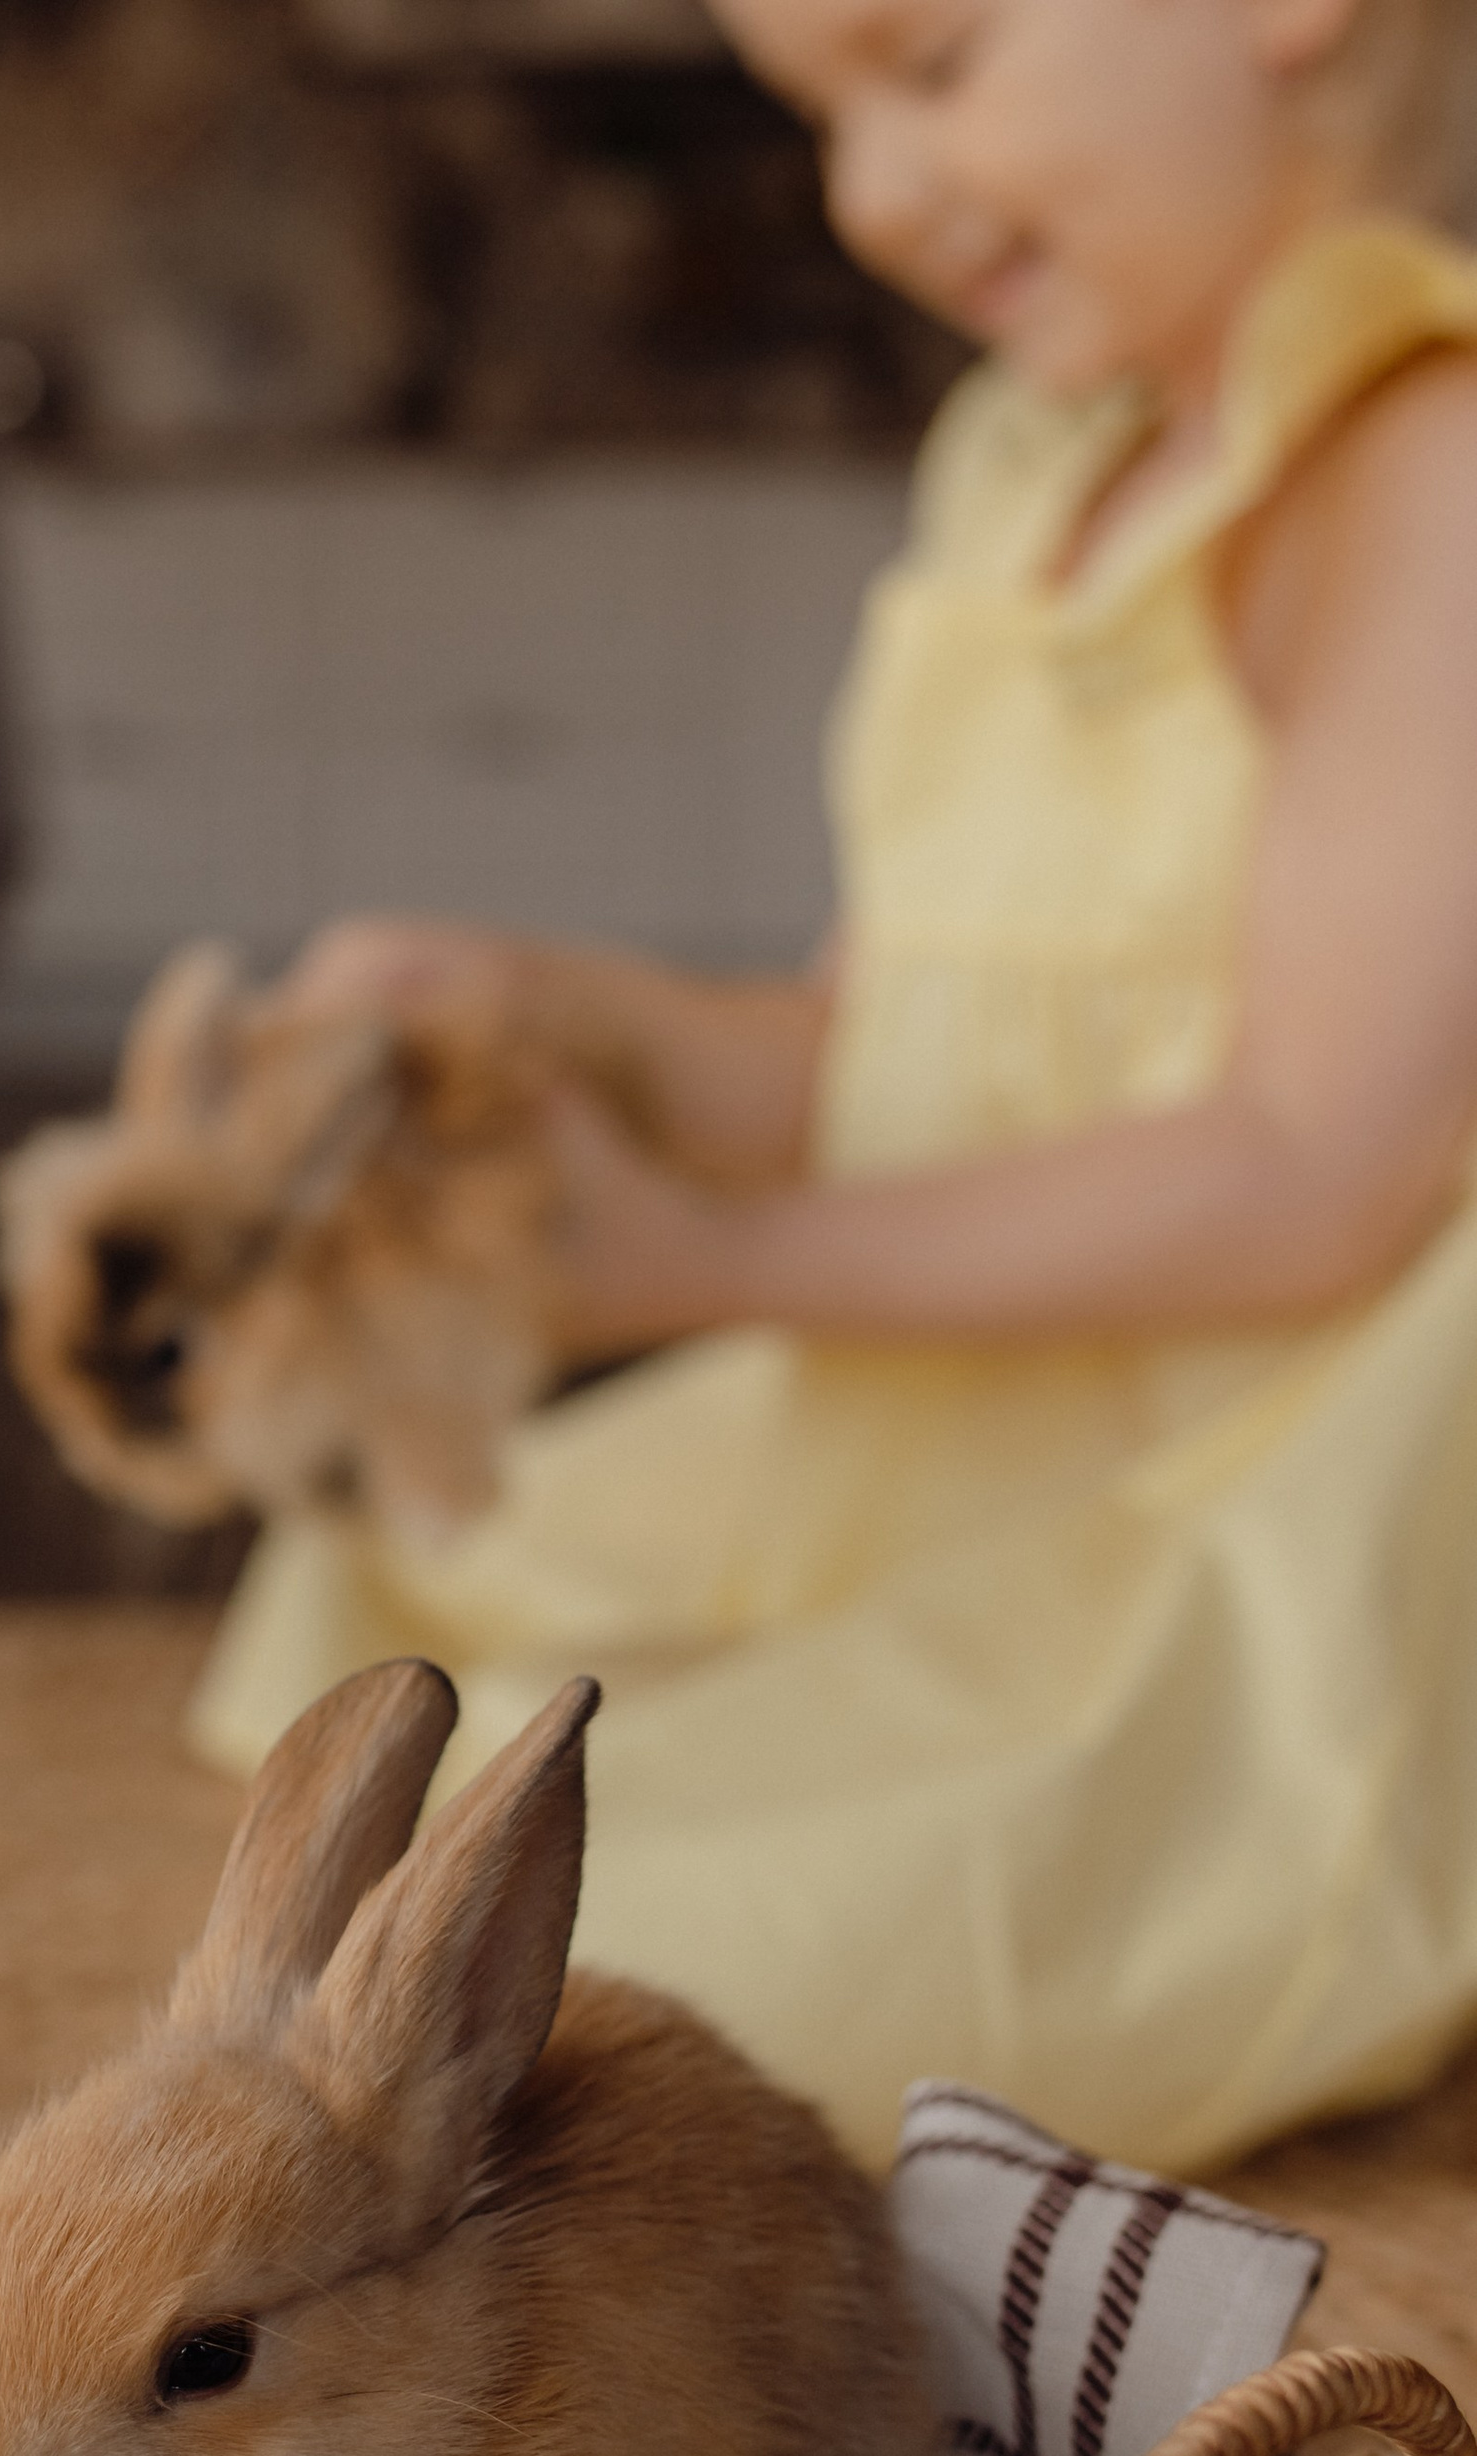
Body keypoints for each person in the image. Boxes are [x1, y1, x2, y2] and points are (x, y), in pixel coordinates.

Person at [188, 0, 1477, 2178]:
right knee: (362, 1663)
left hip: (1245, 1487)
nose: (868, 191)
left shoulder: (1415, 461)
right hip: (956, 1416)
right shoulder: (1032, 457)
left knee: (697, 1963)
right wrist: (552, 1009)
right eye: (814, 116)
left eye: (930, 61)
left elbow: (1306, 1171)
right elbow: (865, 1052)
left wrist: (707, 1261)